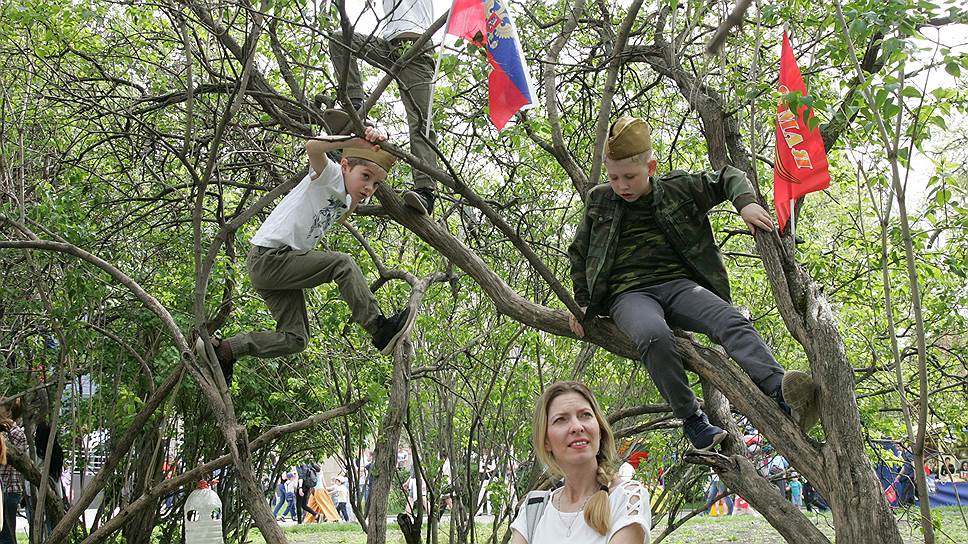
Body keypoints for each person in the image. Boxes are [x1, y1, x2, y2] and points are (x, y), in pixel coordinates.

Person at [567, 116, 820, 450]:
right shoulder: (600, 200)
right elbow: (579, 252)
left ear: (651, 167)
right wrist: (581, 303)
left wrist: (745, 204)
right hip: (629, 294)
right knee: (654, 336)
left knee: (730, 319)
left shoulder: (678, 188)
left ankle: (782, 392)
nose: (621, 185)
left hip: (681, 286)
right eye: (614, 177)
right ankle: (693, 420)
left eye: (629, 176)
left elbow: (730, 176)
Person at [195, 123, 417, 382]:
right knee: (341, 264)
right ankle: (378, 328)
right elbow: (312, 146)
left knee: (296, 339)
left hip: (278, 270)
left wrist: (380, 150)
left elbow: (354, 193)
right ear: (345, 165)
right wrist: (356, 139)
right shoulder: (330, 174)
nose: (369, 188)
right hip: (270, 258)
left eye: (376, 184)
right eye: (365, 176)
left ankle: (226, 350)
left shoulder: (347, 198)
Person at [328, 0, 439, 215]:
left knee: (421, 123)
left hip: (418, 46)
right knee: (340, 39)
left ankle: (426, 192)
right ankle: (356, 107)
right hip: (388, 46)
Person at [509, 381, 650, 543]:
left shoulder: (626, 498)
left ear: (599, 430)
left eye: (585, 415)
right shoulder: (533, 509)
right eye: (561, 419)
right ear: (546, 441)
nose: (577, 427)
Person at [0, 400, 26, 544]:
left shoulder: (14, 433)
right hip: (4, 489)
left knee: (6, 536)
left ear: (9, 412)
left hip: (9, 490)